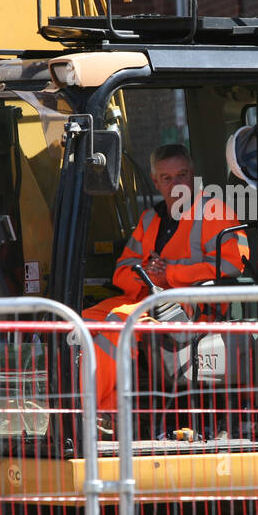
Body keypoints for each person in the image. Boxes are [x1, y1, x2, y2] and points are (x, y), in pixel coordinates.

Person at [84, 143, 248, 410]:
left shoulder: (215, 213)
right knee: (78, 321)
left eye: (181, 175)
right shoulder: (150, 219)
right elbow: (121, 271)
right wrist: (146, 275)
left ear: (193, 176)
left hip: (190, 307)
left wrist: (169, 274)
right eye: (167, 178)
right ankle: (109, 406)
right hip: (144, 299)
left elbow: (231, 266)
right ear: (155, 182)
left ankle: (89, 411)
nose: (176, 184)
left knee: (119, 323)